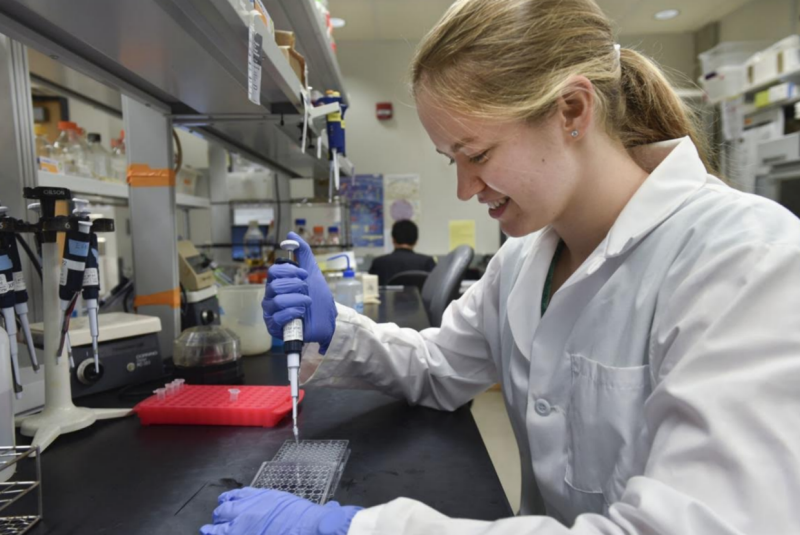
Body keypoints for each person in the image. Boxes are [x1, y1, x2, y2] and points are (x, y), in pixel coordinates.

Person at [201, 0, 800, 534]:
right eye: (450, 161)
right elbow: (439, 370)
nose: (465, 189)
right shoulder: (523, 261)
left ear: (572, 109)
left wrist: (361, 529)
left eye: (478, 154)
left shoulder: (748, 259)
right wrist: (339, 333)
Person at [368, 220, 436, 285]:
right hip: (418, 297)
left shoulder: (378, 262)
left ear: (393, 240)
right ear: (416, 241)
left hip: (387, 297)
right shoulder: (427, 262)